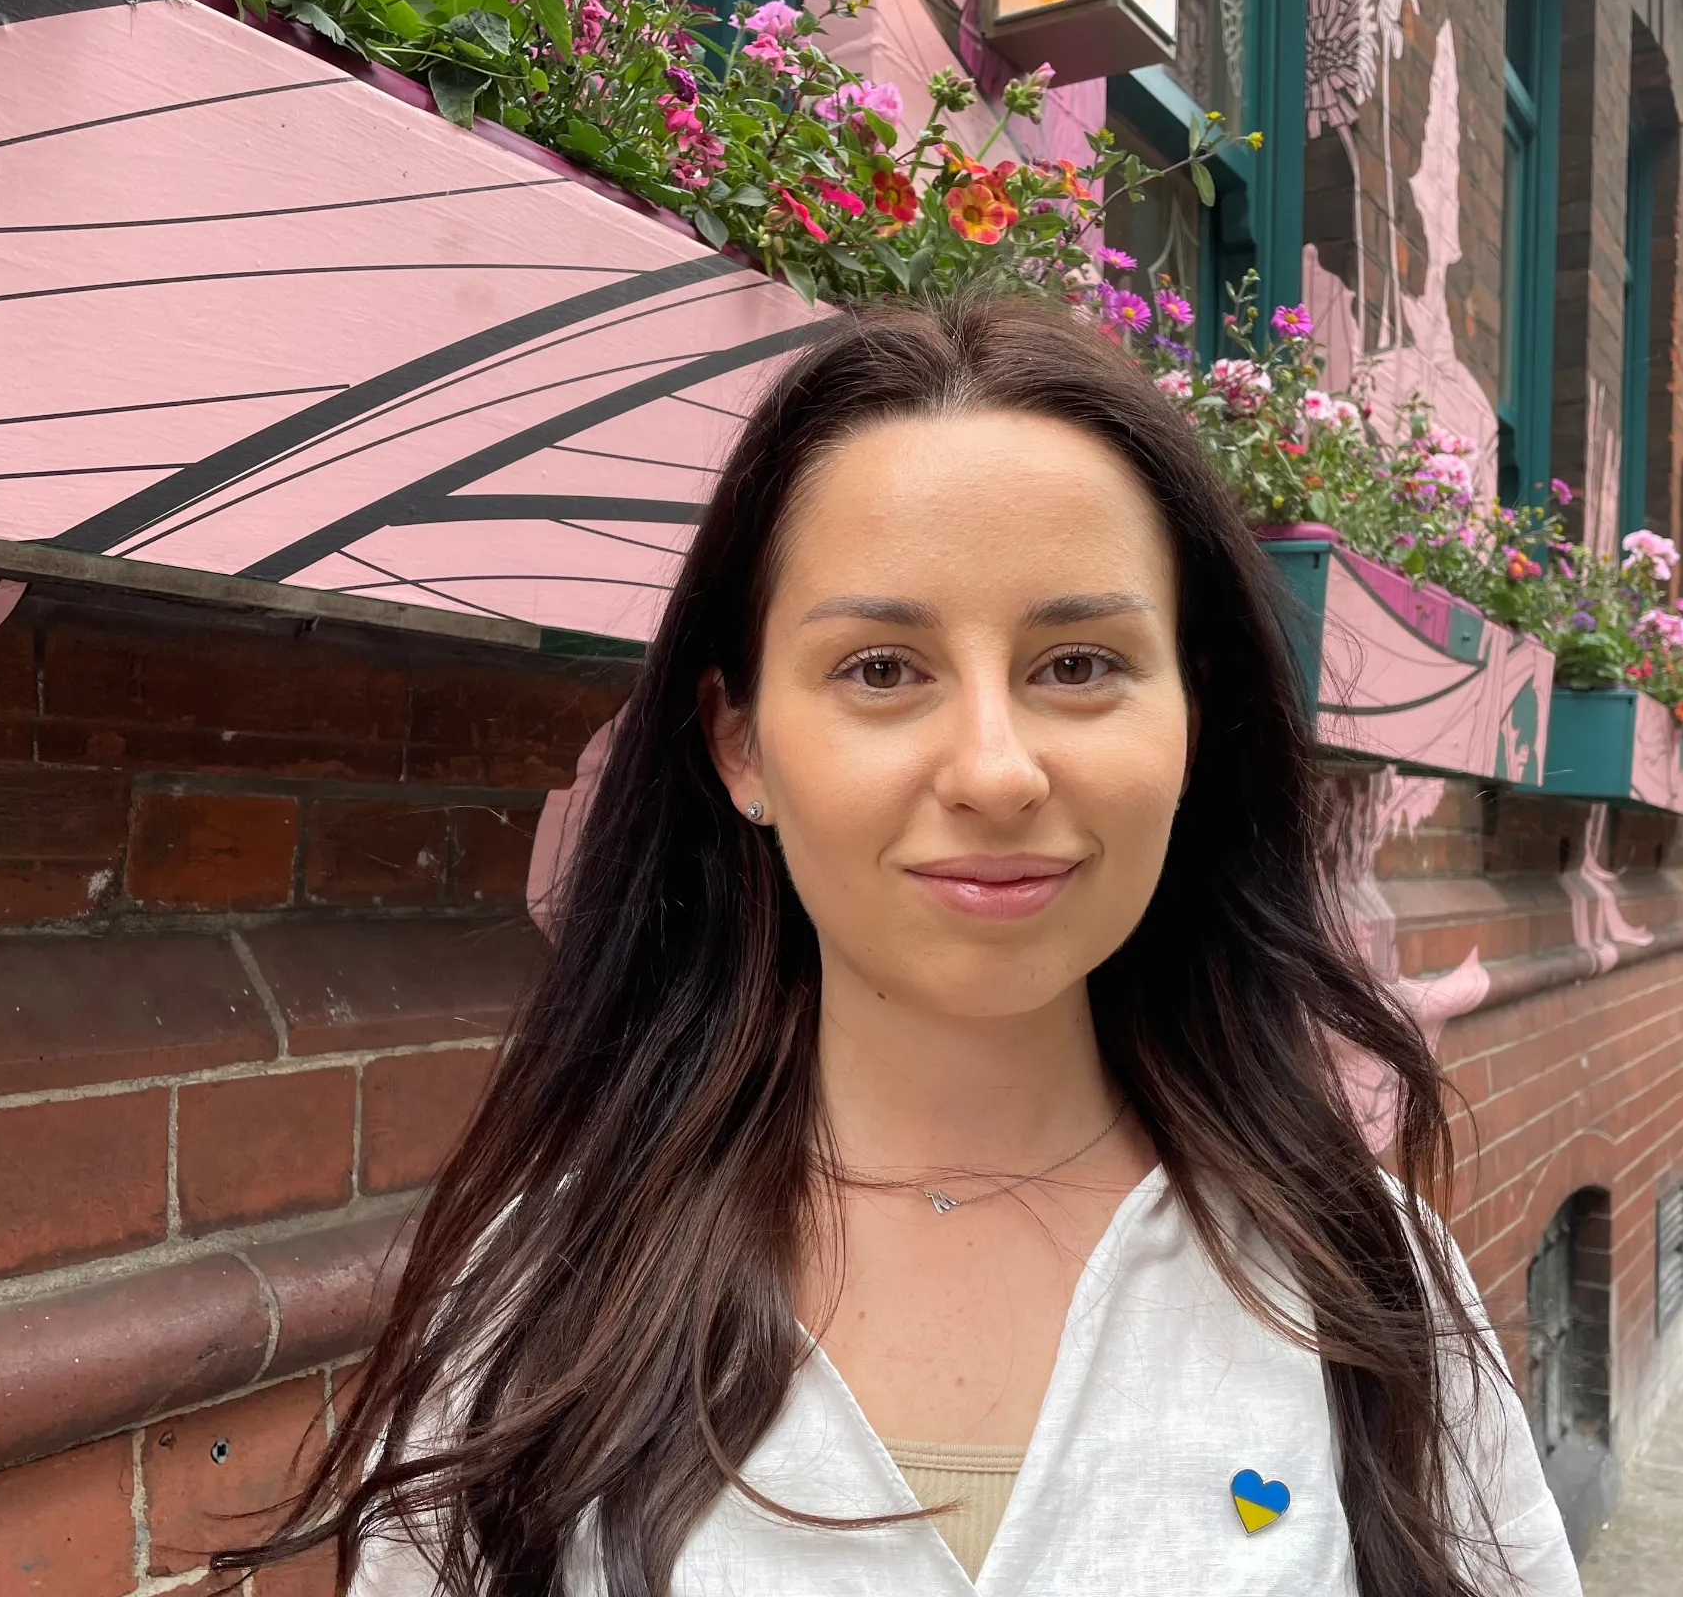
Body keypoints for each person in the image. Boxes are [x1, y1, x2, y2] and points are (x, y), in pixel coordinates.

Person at [220, 299, 1577, 1596]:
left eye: (1078, 665)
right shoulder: (549, 1311)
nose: (995, 770)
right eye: (882, 669)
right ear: (740, 742)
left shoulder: (1366, 1295)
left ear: (1188, 724)